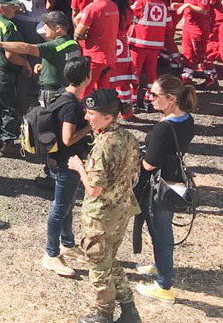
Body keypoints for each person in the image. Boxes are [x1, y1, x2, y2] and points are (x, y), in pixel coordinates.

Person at [68, 89, 142, 323]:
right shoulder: (128, 137)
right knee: (108, 259)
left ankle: (103, 315)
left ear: (108, 117)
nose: (86, 117)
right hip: (121, 211)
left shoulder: (103, 146)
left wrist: (79, 167)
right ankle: (129, 310)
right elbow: (134, 173)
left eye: (91, 114)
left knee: (99, 267)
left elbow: (93, 189)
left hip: (101, 216)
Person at [134, 75, 196, 304]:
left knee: (161, 233)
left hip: (158, 187)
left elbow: (149, 165)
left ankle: (164, 285)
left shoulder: (163, 127)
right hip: (175, 181)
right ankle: (160, 265)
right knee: (161, 228)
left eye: (154, 95)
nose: (149, 98)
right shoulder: (188, 120)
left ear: (171, 99)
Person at [40, 57, 92, 278]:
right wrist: (89, 127)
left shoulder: (62, 94)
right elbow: (68, 138)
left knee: (68, 204)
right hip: (66, 163)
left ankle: (67, 244)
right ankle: (51, 254)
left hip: (57, 160)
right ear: (86, 78)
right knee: (60, 208)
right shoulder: (71, 105)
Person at [0, 0, 31, 157]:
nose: (15, 9)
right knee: (11, 106)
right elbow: (11, 55)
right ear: (2, 8)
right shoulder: (8, 26)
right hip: (6, 71)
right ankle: (8, 142)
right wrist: (25, 63)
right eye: (12, 6)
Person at [129, 0, 170, 110]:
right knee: (152, 72)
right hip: (156, 45)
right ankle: (150, 99)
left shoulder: (140, 3)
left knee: (135, 71)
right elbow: (169, 25)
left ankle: (133, 100)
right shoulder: (163, 6)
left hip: (139, 44)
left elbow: (128, 17)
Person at [75, 0, 119, 93]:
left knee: (84, 91)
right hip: (109, 57)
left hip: (93, 57)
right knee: (103, 92)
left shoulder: (92, 8)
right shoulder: (113, 6)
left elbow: (77, 33)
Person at [103, 0, 134, 115]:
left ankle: (109, 111)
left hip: (110, 44)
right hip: (123, 46)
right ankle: (127, 111)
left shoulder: (107, 9)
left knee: (108, 79)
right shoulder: (127, 11)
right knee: (124, 81)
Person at [177, 0, 211, 83]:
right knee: (187, 51)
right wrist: (179, 6)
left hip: (197, 28)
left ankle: (210, 74)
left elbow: (204, 10)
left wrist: (187, 5)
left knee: (200, 53)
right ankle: (187, 76)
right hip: (188, 26)